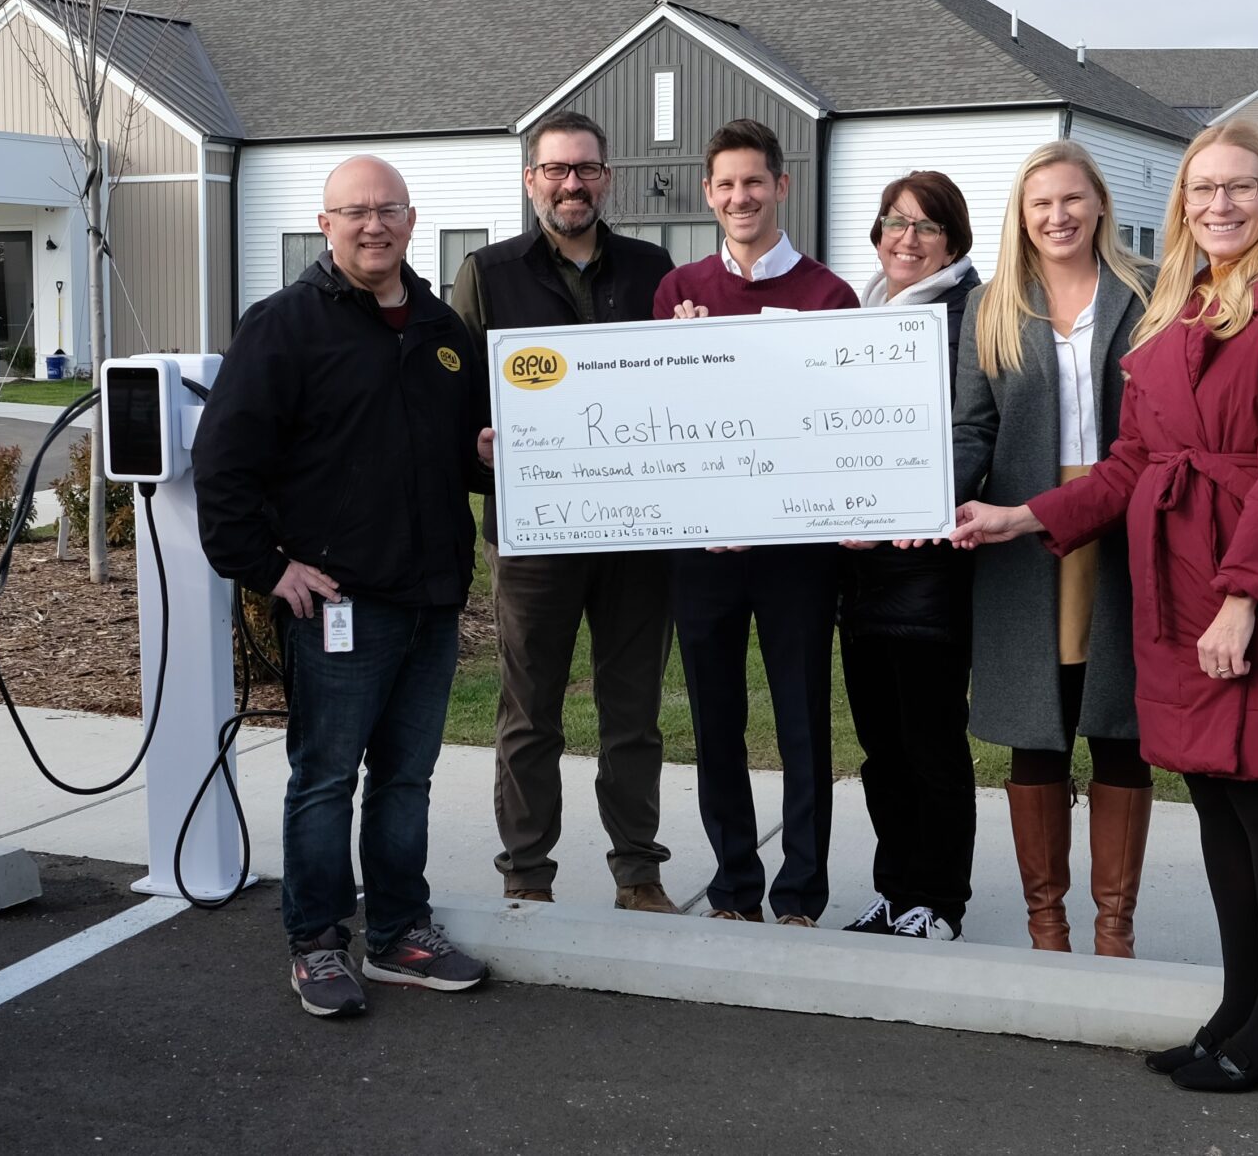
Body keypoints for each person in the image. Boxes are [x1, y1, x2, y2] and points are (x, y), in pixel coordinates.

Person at [952, 120, 1258, 1094]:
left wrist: (1245, 599)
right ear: (1181, 203)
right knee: (1216, 797)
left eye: (1240, 186)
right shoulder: (1183, 303)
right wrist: (1024, 515)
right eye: (1201, 188)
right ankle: (1241, 1007)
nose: (1219, 204)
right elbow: (1135, 458)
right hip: (1178, 579)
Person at [194, 154, 495, 1020]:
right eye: (354, 211)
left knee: (406, 779)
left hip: (432, 598)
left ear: (411, 220)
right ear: (325, 226)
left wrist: (483, 458)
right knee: (326, 779)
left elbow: (460, 456)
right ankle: (317, 943)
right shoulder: (284, 326)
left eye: (388, 209)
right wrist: (266, 567)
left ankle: (398, 933)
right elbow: (224, 462)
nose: (373, 225)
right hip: (340, 603)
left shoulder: (442, 329)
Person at [450, 111, 679, 913]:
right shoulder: (489, 272)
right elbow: (460, 398)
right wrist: (476, 446)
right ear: (531, 180)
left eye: (585, 169)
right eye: (556, 169)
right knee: (529, 710)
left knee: (633, 713)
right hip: (534, 531)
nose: (571, 183)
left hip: (636, 531)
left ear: (606, 178)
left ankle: (638, 873)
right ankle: (526, 873)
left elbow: (678, 384)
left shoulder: (654, 270)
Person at [653, 118, 856, 925]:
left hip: (795, 551)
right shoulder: (678, 292)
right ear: (709, 194)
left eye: (754, 182)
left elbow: (842, 424)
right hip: (703, 548)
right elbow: (658, 419)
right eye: (727, 184)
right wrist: (680, 355)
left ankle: (801, 892)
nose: (741, 197)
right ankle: (734, 886)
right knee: (716, 722)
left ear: (781, 186)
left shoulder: (828, 296)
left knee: (802, 718)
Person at [952, 141, 1153, 955]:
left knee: (1120, 725)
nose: (1058, 216)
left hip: (1126, 529)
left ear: (1100, 203)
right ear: (1022, 215)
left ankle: (1114, 929)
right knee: (1037, 729)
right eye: (1041, 203)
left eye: (1072, 199)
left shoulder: (1151, 295)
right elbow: (973, 428)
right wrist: (934, 495)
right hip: (1021, 535)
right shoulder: (992, 306)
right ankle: (1048, 928)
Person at [837, 171, 982, 942]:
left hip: (927, 567)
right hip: (860, 573)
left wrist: (897, 507)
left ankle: (941, 901)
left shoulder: (969, 318)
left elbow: (971, 434)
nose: (907, 238)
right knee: (881, 749)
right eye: (895, 222)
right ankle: (896, 891)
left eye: (926, 226)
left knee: (929, 743)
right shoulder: (860, 314)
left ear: (953, 240)